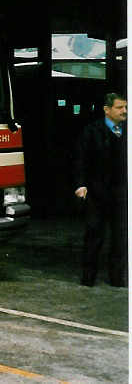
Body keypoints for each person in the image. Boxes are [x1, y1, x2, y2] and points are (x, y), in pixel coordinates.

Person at [73, 92, 128, 287]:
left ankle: (117, 278)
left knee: (120, 236)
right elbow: (81, 160)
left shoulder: (127, 132)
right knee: (94, 235)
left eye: (126, 107)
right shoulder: (91, 131)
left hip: (121, 192)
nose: (124, 111)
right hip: (97, 192)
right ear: (107, 109)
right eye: (120, 107)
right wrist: (80, 184)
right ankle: (88, 277)